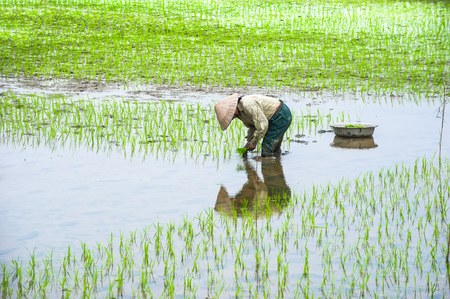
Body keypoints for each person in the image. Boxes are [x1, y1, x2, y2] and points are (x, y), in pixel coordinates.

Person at [214, 93, 292, 157]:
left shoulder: (247, 105)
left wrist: (254, 142)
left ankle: (269, 168)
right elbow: (253, 126)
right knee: (274, 151)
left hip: (280, 115)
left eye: (231, 115)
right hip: (270, 119)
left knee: (267, 150)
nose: (233, 117)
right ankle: (276, 166)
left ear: (233, 108)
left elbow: (263, 125)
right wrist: (249, 142)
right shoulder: (240, 113)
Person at [214, 158, 291, 218]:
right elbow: (260, 187)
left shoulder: (242, 205)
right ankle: (275, 156)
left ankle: (274, 155)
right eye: (230, 199)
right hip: (280, 201)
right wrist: (249, 168)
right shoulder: (250, 207)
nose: (232, 197)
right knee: (270, 167)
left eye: (230, 198)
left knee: (268, 162)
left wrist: (248, 167)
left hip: (276, 198)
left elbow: (256, 182)